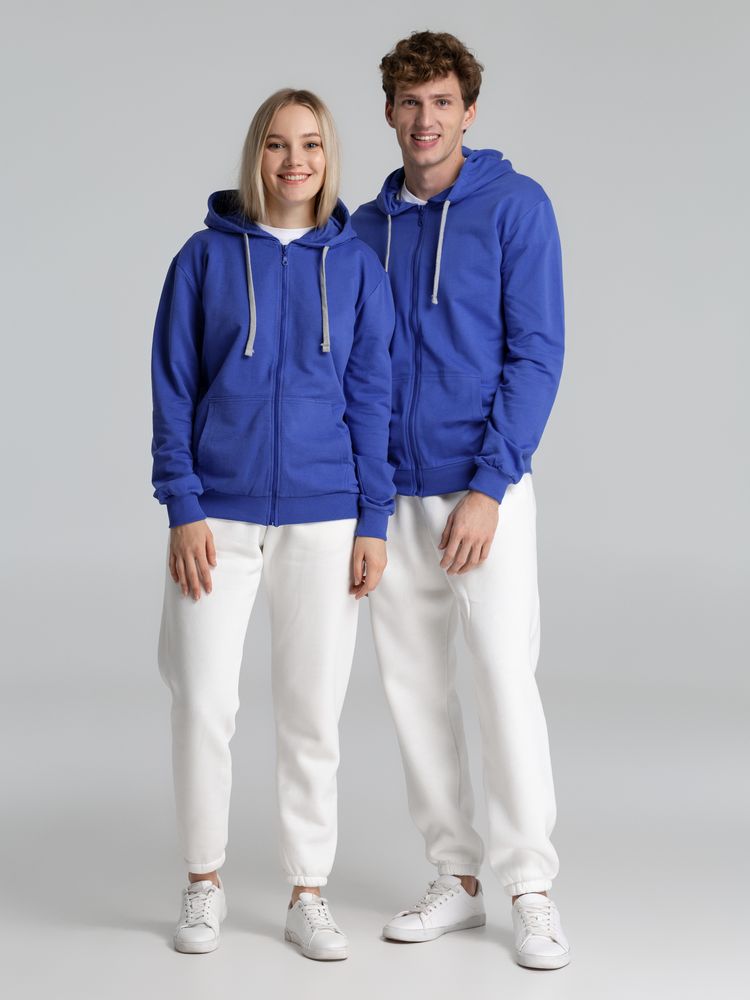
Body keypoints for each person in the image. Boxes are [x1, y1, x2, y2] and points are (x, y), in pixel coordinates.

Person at [150, 88, 395, 960]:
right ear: (256, 154)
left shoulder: (356, 266)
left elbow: (373, 396)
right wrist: (182, 505)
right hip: (217, 515)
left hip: (326, 517)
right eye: (279, 145)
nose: (296, 162)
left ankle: (307, 892)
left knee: (312, 713)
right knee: (202, 703)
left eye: (312, 145)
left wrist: (375, 518)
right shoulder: (202, 259)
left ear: (330, 158)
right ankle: (203, 882)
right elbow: (172, 387)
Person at [351, 31, 571, 969]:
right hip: (391, 494)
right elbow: (353, 367)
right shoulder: (365, 228)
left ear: (469, 111)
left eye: (442, 101)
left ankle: (530, 887)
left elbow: (538, 354)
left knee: (503, 679)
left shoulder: (517, 207)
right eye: (410, 102)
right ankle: (458, 877)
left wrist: (490, 487)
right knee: (414, 691)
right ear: (388, 112)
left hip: (485, 488)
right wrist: (365, 499)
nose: (425, 119)